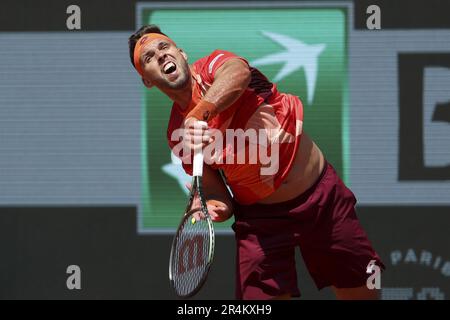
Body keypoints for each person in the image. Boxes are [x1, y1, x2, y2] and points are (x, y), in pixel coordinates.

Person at [128, 24, 385, 300]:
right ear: (147, 80)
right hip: (262, 222)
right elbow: (217, 193)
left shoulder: (214, 66)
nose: (161, 56)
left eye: (164, 47)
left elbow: (237, 73)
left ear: (182, 52)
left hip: (320, 198)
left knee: (361, 293)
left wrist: (199, 114)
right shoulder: (177, 134)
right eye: (149, 58)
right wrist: (210, 207)